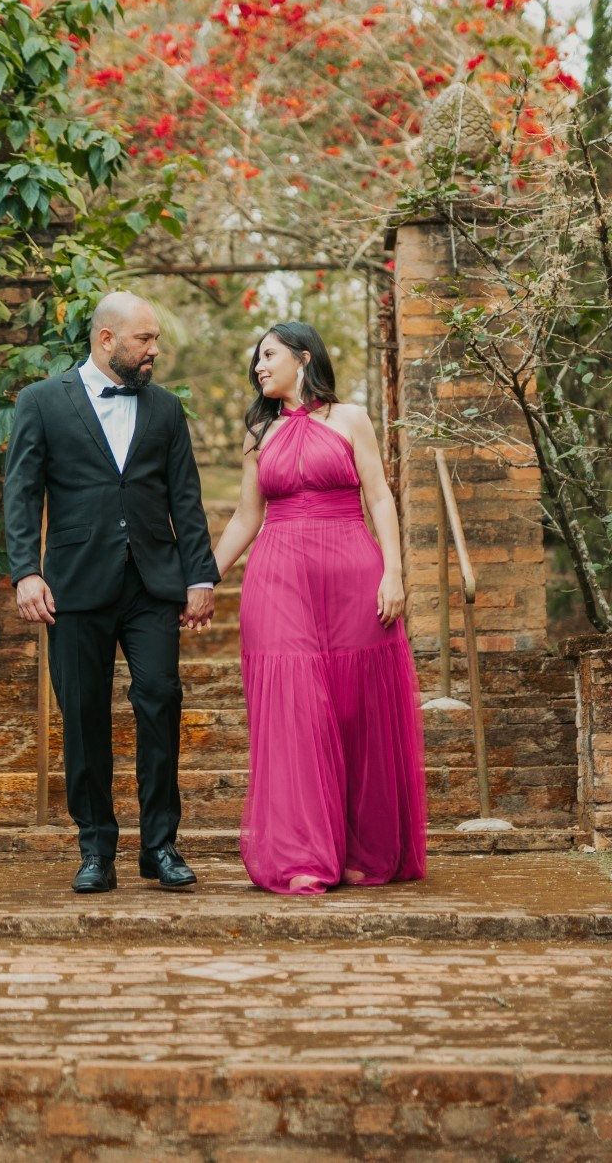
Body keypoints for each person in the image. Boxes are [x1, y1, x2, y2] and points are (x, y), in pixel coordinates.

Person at [3, 291, 219, 893]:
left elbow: (185, 496)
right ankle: (95, 848)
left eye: (155, 340)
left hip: (152, 583)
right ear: (106, 339)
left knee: (161, 700)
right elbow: (22, 492)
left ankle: (160, 846)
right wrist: (25, 572)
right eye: (144, 339)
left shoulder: (166, 408)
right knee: (83, 714)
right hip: (73, 586)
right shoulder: (41, 401)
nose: (154, 350)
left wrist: (199, 576)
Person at [211, 322, 427, 894]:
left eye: (269, 355)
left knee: (357, 711)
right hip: (279, 577)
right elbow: (246, 517)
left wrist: (394, 573)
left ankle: (361, 849)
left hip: (354, 573)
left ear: (303, 358)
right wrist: (202, 580)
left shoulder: (351, 418)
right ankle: (301, 853)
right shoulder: (258, 433)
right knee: (295, 712)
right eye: (256, 360)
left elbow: (379, 495)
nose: (259, 367)